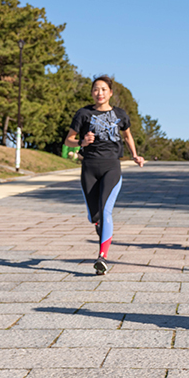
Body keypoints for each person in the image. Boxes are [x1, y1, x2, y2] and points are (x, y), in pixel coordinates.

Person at [65, 76, 145, 275]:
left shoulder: (120, 114)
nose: (99, 93)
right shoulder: (83, 114)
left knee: (105, 209)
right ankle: (99, 225)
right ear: (92, 93)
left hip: (112, 167)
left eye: (103, 89)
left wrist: (135, 155)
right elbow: (68, 140)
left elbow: (127, 136)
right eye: (95, 89)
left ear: (110, 93)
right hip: (89, 168)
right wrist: (82, 142)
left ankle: (102, 257)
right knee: (94, 215)